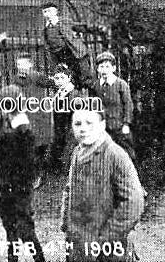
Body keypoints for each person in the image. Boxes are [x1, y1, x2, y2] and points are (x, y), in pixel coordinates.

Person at [62, 107, 145, 262]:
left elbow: (134, 202)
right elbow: (69, 189)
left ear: (102, 125)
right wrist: (66, 224)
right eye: (77, 124)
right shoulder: (77, 153)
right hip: (79, 242)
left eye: (89, 123)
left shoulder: (115, 154)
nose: (83, 129)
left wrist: (107, 237)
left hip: (107, 248)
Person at [0, 85, 46, 262]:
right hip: (5, 185)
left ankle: (39, 259)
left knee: (24, 229)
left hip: (18, 187)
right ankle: (13, 259)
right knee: (10, 227)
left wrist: (21, 184)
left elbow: (27, 162)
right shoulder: (10, 124)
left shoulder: (23, 129)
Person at [10, 56, 54, 189]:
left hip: (39, 117)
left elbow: (52, 83)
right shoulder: (17, 79)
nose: (20, 67)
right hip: (25, 116)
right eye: (18, 65)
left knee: (38, 147)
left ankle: (38, 175)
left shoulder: (37, 76)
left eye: (23, 64)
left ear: (30, 65)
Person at [41, 1, 96, 92]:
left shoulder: (64, 22)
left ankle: (93, 94)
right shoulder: (46, 29)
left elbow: (79, 27)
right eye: (45, 12)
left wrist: (92, 29)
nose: (47, 14)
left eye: (49, 11)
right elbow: (48, 45)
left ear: (55, 12)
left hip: (75, 53)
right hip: (60, 56)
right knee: (66, 79)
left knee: (85, 77)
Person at [93, 52, 135, 159]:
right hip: (103, 128)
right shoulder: (96, 86)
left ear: (113, 68)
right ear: (97, 69)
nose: (104, 70)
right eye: (101, 67)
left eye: (107, 66)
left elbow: (128, 105)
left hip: (119, 127)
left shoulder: (121, 84)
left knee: (125, 154)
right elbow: (94, 106)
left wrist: (126, 124)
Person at [47, 64, 83, 172]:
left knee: (69, 143)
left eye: (62, 78)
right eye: (56, 78)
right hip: (60, 124)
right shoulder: (58, 93)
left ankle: (70, 165)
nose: (59, 81)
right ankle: (57, 166)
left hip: (69, 124)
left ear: (69, 78)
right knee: (58, 141)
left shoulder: (73, 93)